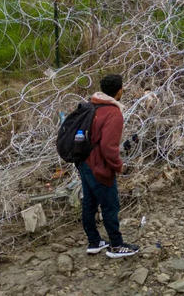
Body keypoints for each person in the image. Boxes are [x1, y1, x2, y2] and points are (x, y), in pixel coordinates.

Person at [78, 74, 139, 258]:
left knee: (89, 203)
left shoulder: (91, 105)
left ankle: (94, 242)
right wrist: (119, 166)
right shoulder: (113, 113)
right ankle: (116, 246)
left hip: (84, 162)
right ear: (119, 91)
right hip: (99, 166)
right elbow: (108, 147)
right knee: (110, 205)